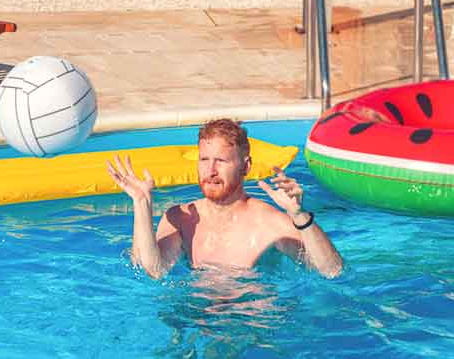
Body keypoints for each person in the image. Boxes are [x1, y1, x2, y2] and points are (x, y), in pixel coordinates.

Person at [105, 118, 344, 279]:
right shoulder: (180, 218)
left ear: (245, 166)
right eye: (204, 160)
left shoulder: (269, 222)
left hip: (252, 323)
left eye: (221, 161)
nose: (210, 171)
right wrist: (141, 204)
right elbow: (153, 272)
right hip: (195, 318)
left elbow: (332, 271)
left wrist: (299, 216)